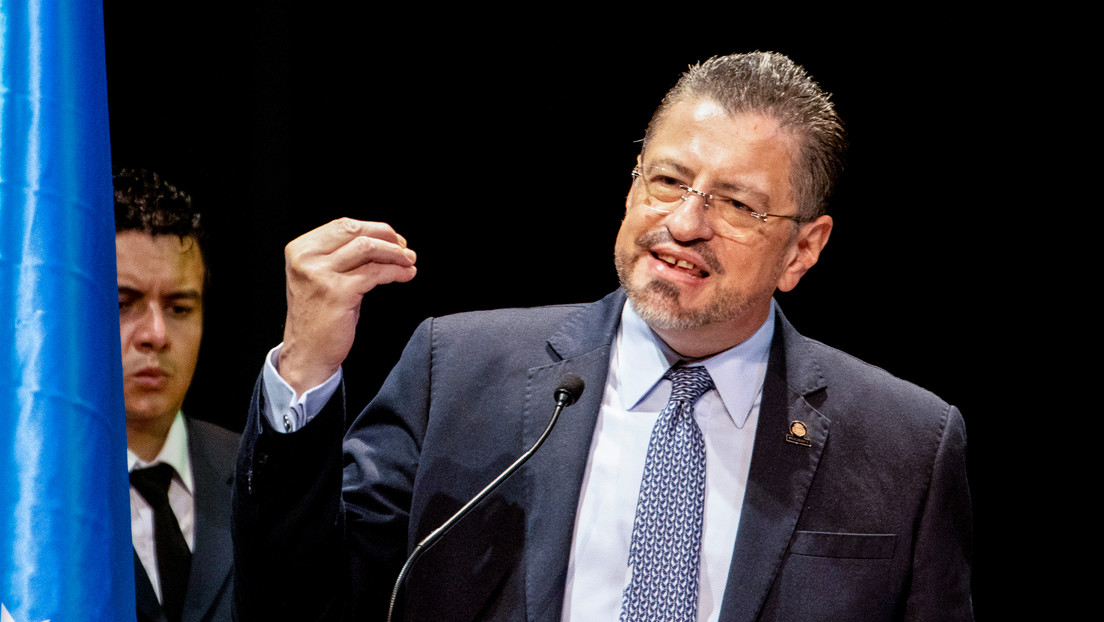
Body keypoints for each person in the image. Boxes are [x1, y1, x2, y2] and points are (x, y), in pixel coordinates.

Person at [232, 52, 973, 621]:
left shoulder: (906, 444)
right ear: (631, 185)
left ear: (803, 250)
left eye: (737, 204)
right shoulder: (456, 372)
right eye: (668, 180)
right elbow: (299, 599)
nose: (685, 223)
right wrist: (305, 369)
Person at [115, 168, 238, 622]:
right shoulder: (25, 488)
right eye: (122, 304)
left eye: (180, 308)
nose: (156, 334)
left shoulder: (253, 477)